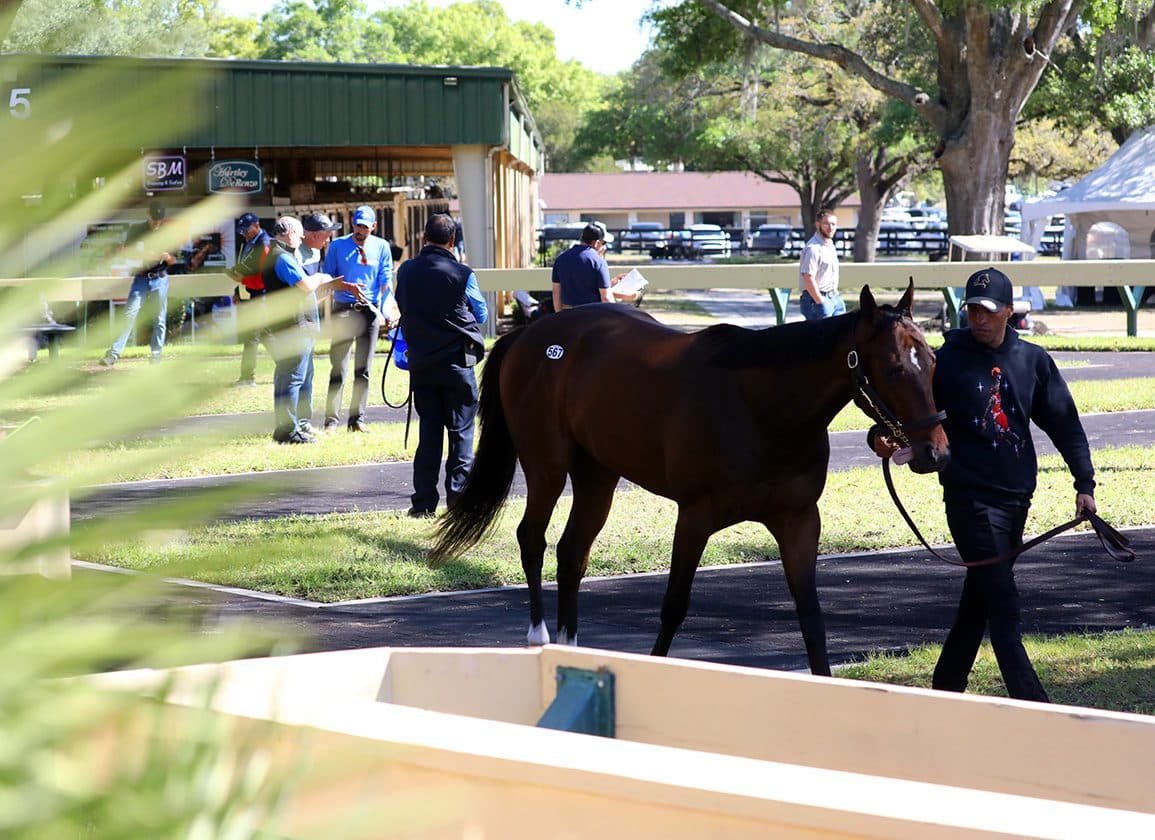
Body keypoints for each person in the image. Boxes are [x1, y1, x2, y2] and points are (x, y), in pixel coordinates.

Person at [874, 266, 1097, 702]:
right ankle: (1037, 712)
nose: (978, 319)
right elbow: (908, 409)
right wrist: (880, 437)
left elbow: (1065, 424)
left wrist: (1083, 482)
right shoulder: (947, 360)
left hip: (1016, 499)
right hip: (968, 500)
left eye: (987, 311)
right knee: (1003, 608)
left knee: (978, 602)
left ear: (1009, 313)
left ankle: (944, 694)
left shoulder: (1032, 361)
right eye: (972, 309)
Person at [394, 213, 487, 517]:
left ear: (423, 238)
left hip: (422, 362)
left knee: (429, 435)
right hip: (458, 363)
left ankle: (423, 504)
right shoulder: (462, 273)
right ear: (452, 241)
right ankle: (458, 502)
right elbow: (481, 314)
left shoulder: (406, 270)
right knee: (461, 433)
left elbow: (403, 306)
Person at [260, 216, 366, 444]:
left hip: (294, 326)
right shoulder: (282, 258)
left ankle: (292, 427)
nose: (301, 238)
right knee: (292, 378)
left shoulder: (279, 255)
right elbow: (306, 285)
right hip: (293, 327)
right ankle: (288, 430)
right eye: (298, 234)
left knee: (296, 376)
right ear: (288, 232)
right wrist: (320, 277)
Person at [322, 205, 393, 433]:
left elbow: (385, 280)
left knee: (363, 369)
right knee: (339, 367)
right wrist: (347, 287)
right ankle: (331, 421)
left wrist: (387, 309)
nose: (360, 230)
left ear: (374, 226)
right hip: (343, 308)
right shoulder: (337, 246)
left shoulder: (382, 247)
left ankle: (357, 420)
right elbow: (327, 280)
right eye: (357, 225)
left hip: (368, 312)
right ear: (352, 224)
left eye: (365, 226)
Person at [101, 199, 176, 366]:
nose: (157, 222)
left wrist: (166, 257)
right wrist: (148, 255)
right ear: (147, 214)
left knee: (159, 318)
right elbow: (126, 252)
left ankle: (156, 355)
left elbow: (174, 259)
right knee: (129, 314)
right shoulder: (137, 229)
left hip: (160, 278)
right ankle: (114, 353)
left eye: (160, 219)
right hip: (141, 277)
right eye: (155, 218)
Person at [227, 212, 271, 386]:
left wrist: (241, 281)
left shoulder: (264, 245)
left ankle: (247, 377)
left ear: (257, 225)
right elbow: (244, 268)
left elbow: (263, 276)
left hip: (262, 294)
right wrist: (238, 290)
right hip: (252, 292)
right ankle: (289, 366)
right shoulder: (248, 243)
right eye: (242, 230)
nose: (244, 233)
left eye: (247, 230)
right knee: (267, 335)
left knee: (251, 335)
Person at [551, 221, 614, 310]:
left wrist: (559, 315)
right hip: (591, 315)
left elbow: (556, 292)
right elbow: (606, 298)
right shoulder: (599, 261)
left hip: (568, 315)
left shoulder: (560, 259)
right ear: (596, 242)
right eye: (603, 243)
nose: (604, 247)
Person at [798, 208, 844, 321]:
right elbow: (808, 277)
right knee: (821, 337)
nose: (830, 227)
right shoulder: (813, 248)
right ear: (818, 224)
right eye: (826, 224)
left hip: (834, 297)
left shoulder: (830, 245)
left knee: (840, 337)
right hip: (817, 300)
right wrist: (820, 301)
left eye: (833, 224)